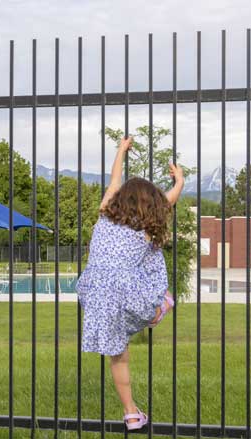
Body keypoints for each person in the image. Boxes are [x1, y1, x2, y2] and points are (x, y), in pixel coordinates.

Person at [76, 135, 183, 430]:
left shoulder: (104, 214)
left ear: (120, 198)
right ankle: (159, 306)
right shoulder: (143, 227)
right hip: (124, 291)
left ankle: (131, 414)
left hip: (94, 292)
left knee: (119, 357)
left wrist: (121, 150)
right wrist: (179, 183)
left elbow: (113, 180)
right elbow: (167, 202)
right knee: (152, 256)